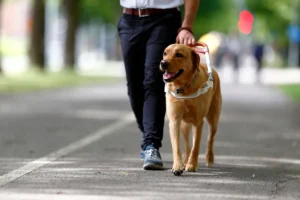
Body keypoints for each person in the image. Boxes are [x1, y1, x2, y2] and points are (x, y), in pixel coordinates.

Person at [117, 0, 200, 170]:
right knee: (134, 85)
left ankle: (151, 145)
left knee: (153, 81)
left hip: (163, 19)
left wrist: (187, 25)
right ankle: (148, 132)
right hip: (128, 19)